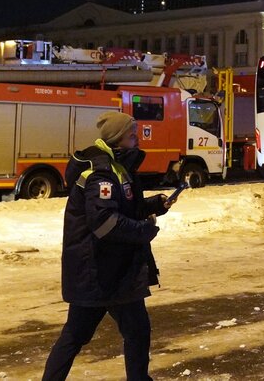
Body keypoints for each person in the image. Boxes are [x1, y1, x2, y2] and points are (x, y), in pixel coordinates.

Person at [43, 111, 175, 381]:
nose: (136, 138)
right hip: (99, 272)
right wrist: (144, 231)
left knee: (133, 331)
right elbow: (104, 222)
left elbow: (123, 206)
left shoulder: (116, 167)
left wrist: (154, 205)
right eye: (131, 134)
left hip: (112, 270)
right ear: (118, 138)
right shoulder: (101, 173)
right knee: (79, 335)